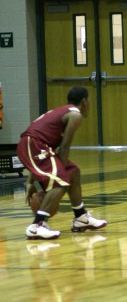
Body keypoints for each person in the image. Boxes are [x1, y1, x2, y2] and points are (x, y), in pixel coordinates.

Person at [17, 86, 107, 240]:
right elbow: (64, 147)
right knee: (61, 180)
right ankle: (36, 226)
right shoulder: (75, 115)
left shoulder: (64, 111)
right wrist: (57, 179)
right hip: (33, 145)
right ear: (84, 102)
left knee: (73, 172)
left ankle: (81, 218)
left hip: (37, 146)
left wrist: (31, 181)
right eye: (89, 101)